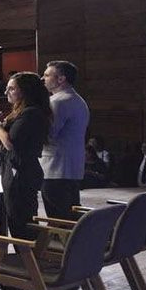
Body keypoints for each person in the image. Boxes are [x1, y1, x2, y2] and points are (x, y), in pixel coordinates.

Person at [0, 73, 52, 239]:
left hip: (22, 171)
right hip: (12, 169)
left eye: (12, 88)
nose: (6, 92)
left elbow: (11, 143)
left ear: (25, 91)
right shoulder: (18, 112)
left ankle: (28, 258)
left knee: (20, 219)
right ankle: (27, 257)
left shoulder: (31, 113)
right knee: (15, 217)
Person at [39, 61, 88, 218]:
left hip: (55, 169)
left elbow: (47, 135)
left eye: (47, 75)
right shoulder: (78, 100)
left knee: (60, 220)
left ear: (61, 79)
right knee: (71, 216)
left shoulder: (57, 102)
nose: (42, 78)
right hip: (71, 168)